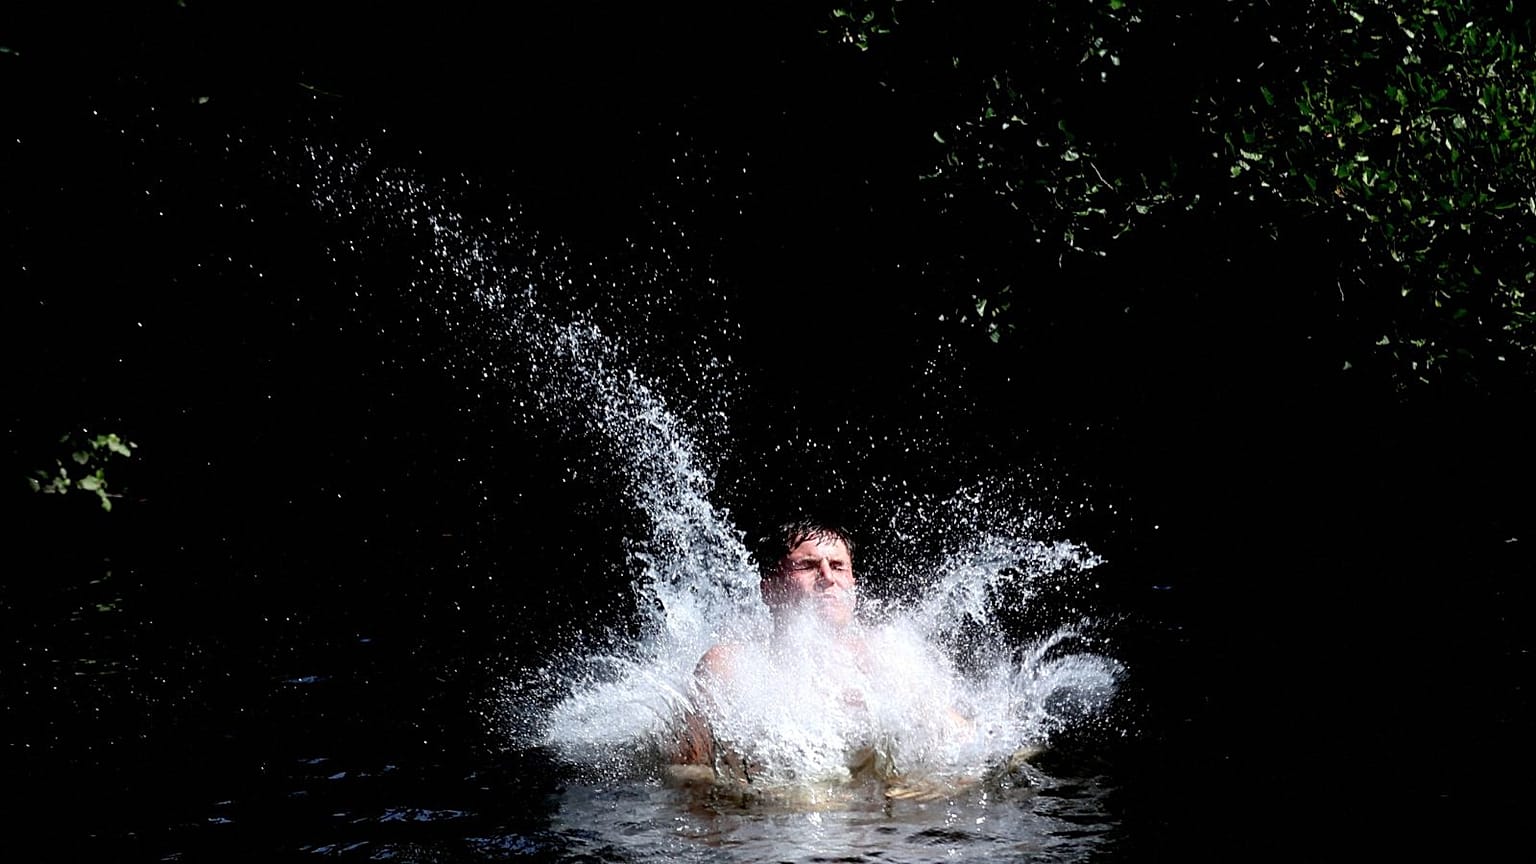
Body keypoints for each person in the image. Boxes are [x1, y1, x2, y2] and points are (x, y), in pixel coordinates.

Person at [668, 517, 972, 789]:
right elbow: (689, 775)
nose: (828, 577)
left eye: (838, 566)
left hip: (869, 839)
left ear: (853, 584)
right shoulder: (731, 667)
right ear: (769, 589)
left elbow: (965, 742)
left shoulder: (884, 659)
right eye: (808, 566)